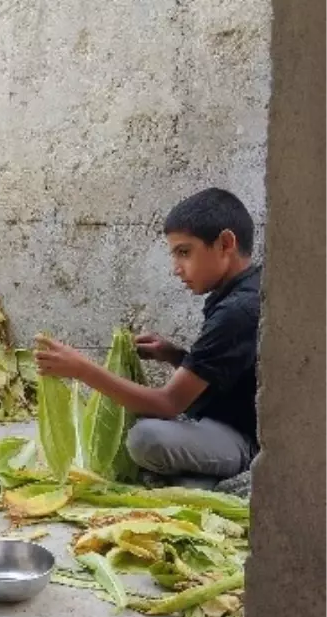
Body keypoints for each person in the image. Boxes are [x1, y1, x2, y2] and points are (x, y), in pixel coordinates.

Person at [35, 188, 260, 487]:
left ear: (225, 243)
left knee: (145, 438)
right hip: (222, 422)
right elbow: (226, 372)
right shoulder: (244, 290)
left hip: (245, 438)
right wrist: (174, 355)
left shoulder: (237, 311)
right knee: (152, 443)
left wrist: (82, 370)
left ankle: (230, 468)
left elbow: (169, 403)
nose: (176, 269)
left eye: (184, 252)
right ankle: (195, 479)